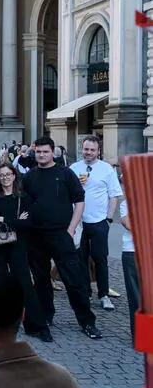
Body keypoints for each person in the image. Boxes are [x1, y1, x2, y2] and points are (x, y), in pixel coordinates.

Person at [24, 136, 101, 340]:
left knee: (74, 280)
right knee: (41, 280)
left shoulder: (66, 173)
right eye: (38, 152)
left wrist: (72, 228)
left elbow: (79, 201)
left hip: (61, 234)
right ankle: (45, 317)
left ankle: (87, 322)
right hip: (35, 236)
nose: (41, 155)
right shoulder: (30, 176)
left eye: (45, 151)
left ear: (53, 152)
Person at [0, 161, 51, 342]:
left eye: (8, 174)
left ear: (14, 176)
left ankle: (37, 325)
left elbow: (27, 223)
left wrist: (3, 219)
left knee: (25, 285)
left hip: (17, 246)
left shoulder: (23, 198)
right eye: (1, 175)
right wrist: (14, 220)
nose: (5, 177)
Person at [70, 136, 122, 311]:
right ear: (82, 149)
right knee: (81, 259)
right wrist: (76, 184)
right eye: (86, 149)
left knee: (100, 259)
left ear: (98, 151)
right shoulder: (74, 168)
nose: (89, 152)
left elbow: (114, 195)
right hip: (79, 222)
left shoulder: (107, 169)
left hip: (99, 221)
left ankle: (104, 294)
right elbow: (66, 194)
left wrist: (108, 219)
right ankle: (86, 293)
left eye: (92, 150)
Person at [120, 191, 138, 345]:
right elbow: (127, 223)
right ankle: (142, 337)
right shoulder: (128, 203)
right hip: (132, 253)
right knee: (136, 297)